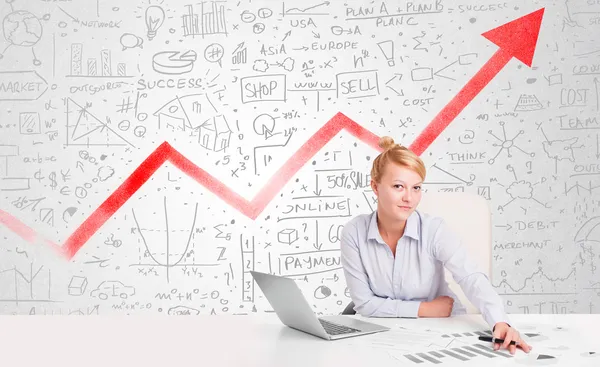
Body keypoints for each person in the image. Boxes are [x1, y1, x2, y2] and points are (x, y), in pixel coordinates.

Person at [340, 136, 532, 355]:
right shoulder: (354, 233)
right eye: (398, 186)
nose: (409, 198)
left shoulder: (434, 230)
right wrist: (424, 309)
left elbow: (471, 276)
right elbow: (364, 304)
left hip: (442, 331)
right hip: (386, 335)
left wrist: (501, 322)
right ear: (375, 186)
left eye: (416, 188)